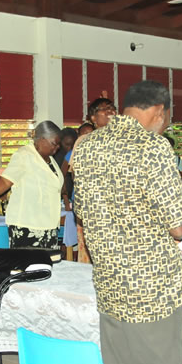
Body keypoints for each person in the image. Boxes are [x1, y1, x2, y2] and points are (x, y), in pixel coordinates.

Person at [74, 80, 182, 364]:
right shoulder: (153, 148)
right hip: (151, 286)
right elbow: (179, 227)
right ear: (160, 111)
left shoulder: (86, 146)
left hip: (109, 279)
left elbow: (80, 208)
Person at [0, 121, 64, 249]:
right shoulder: (24, 155)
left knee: (46, 266)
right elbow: (5, 181)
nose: (56, 148)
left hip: (48, 225)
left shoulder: (50, 160)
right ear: (41, 139)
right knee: (29, 267)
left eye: (58, 145)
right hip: (28, 226)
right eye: (54, 144)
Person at [67, 98, 117, 263]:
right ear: (93, 118)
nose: (110, 112)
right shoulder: (84, 141)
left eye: (112, 108)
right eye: (105, 109)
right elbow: (77, 176)